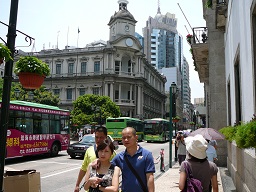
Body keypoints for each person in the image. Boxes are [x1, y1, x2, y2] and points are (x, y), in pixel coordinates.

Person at [111, 127, 155, 192]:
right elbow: (106, 165)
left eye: (129, 137)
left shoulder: (146, 155)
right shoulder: (119, 157)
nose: (126, 140)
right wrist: (96, 161)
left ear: (136, 137)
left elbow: (150, 177)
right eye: (123, 138)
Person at [74, 126, 116, 192]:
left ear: (106, 137)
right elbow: (83, 168)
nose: (98, 140)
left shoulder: (112, 153)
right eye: (96, 137)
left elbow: (115, 169)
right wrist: (77, 185)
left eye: (101, 137)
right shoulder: (89, 150)